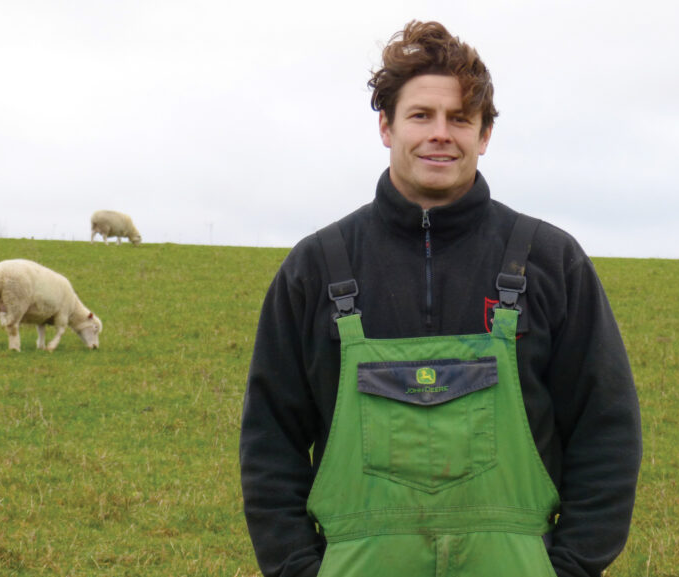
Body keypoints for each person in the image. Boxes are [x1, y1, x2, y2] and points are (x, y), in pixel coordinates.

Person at [239, 20, 642, 577]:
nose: (441, 134)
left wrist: (569, 567)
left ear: (485, 134)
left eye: (460, 119)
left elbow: (607, 428)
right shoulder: (315, 268)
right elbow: (270, 443)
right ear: (385, 126)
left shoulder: (552, 262)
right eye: (421, 115)